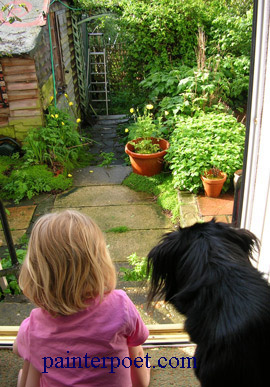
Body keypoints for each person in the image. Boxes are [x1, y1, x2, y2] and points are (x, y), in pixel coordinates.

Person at [13, 210, 150, 387]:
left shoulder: (33, 327)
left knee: (31, 362)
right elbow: (137, 350)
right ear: (99, 263)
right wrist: (142, 381)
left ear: (36, 273)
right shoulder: (120, 305)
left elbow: (18, 349)